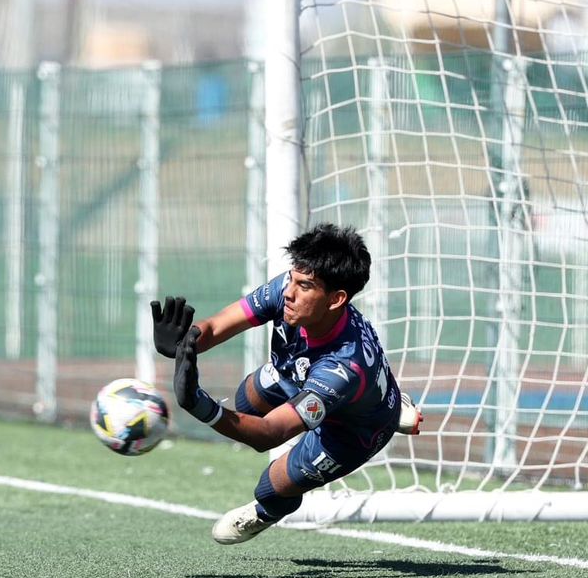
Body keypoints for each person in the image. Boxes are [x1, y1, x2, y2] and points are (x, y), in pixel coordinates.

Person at [152, 223, 422, 545]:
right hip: (298, 374)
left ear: (336, 299)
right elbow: (220, 324)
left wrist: (200, 405)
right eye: (291, 278)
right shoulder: (291, 289)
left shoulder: (343, 368)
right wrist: (186, 341)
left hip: (352, 430)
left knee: (272, 485)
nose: (289, 293)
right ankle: (379, 394)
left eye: (304, 286)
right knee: (246, 401)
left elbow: (270, 434)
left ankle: (266, 512)